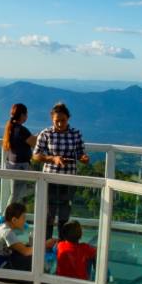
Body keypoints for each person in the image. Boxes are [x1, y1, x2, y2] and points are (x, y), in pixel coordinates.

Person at [33, 102, 88, 243]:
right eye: (57, 121)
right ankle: (46, 243)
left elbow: (81, 153)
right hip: (49, 179)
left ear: (68, 119)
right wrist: (52, 158)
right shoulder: (45, 134)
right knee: (48, 214)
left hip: (68, 179)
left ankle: (63, 245)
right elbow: (36, 155)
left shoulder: (76, 134)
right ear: (52, 119)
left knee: (64, 213)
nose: (59, 124)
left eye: (62, 121)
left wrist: (83, 158)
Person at [0, 201, 33, 270]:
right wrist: (44, 246)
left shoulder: (3, 227)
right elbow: (26, 251)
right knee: (31, 260)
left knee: (26, 252)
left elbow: (18, 247)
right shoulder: (7, 232)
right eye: (23, 218)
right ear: (14, 220)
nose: (25, 221)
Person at [2, 103, 35, 169]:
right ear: (22, 115)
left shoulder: (10, 128)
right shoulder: (22, 130)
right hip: (21, 166)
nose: (27, 116)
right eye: (26, 114)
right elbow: (34, 143)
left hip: (10, 162)